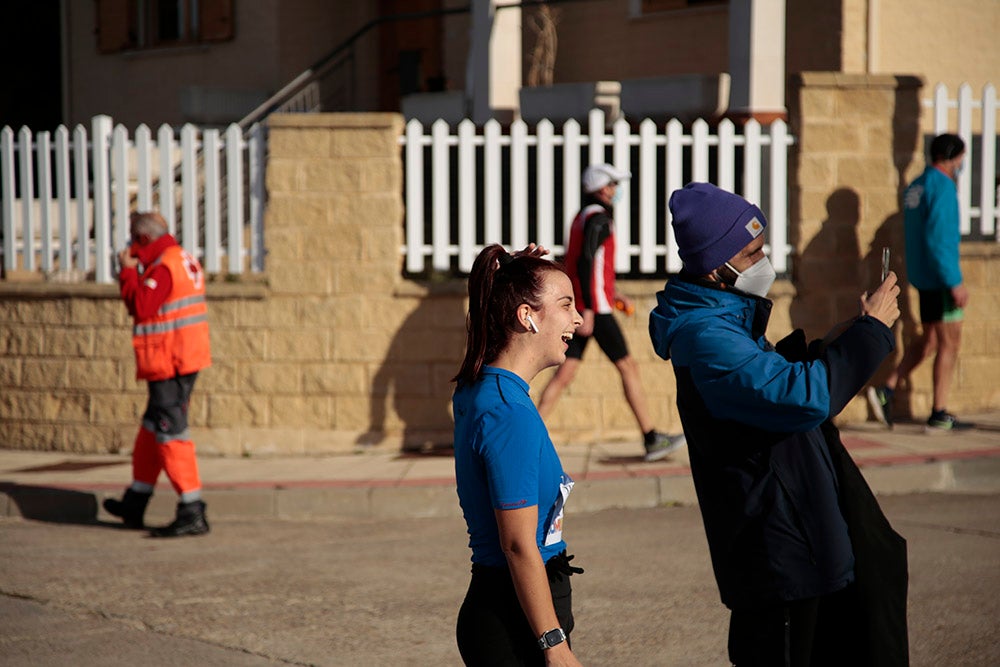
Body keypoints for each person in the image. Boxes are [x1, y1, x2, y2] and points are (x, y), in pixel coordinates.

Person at [648, 183, 904, 665]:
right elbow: (801, 397)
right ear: (714, 267)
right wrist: (871, 335)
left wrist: (834, 344)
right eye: (752, 252)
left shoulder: (726, 320)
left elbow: (771, 385)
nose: (764, 260)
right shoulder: (706, 335)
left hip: (798, 541)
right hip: (777, 556)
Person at [453, 243, 585, 667]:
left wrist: (510, 275)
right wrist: (554, 644)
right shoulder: (508, 412)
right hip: (515, 620)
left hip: (510, 606)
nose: (578, 320)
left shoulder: (481, 387)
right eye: (566, 305)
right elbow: (517, 546)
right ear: (526, 316)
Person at [537, 163, 685, 462]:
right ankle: (652, 438)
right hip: (596, 310)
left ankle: (525, 437)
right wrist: (591, 308)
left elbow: (580, 262)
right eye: (613, 185)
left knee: (564, 373)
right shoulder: (600, 220)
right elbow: (587, 262)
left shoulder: (581, 217)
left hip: (587, 303)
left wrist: (607, 292)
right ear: (602, 188)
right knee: (628, 366)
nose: (616, 191)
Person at [103, 211, 212, 538]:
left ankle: (192, 509)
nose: (131, 249)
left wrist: (126, 273)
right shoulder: (180, 258)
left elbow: (142, 306)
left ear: (144, 239)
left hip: (170, 360)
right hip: (182, 356)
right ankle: (135, 501)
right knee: (153, 429)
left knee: (171, 433)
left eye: (134, 241)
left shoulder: (164, 265)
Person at [868, 133, 970, 430]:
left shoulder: (916, 185)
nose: (962, 163)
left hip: (923, 277)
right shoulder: (942, 187)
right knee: (949, 343)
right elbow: (940, 238)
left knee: (930, 341)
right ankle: (939, 412)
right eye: (961, 157)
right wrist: (954, 282)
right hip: (940, 279)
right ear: (953, 157)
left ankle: (887, 387)